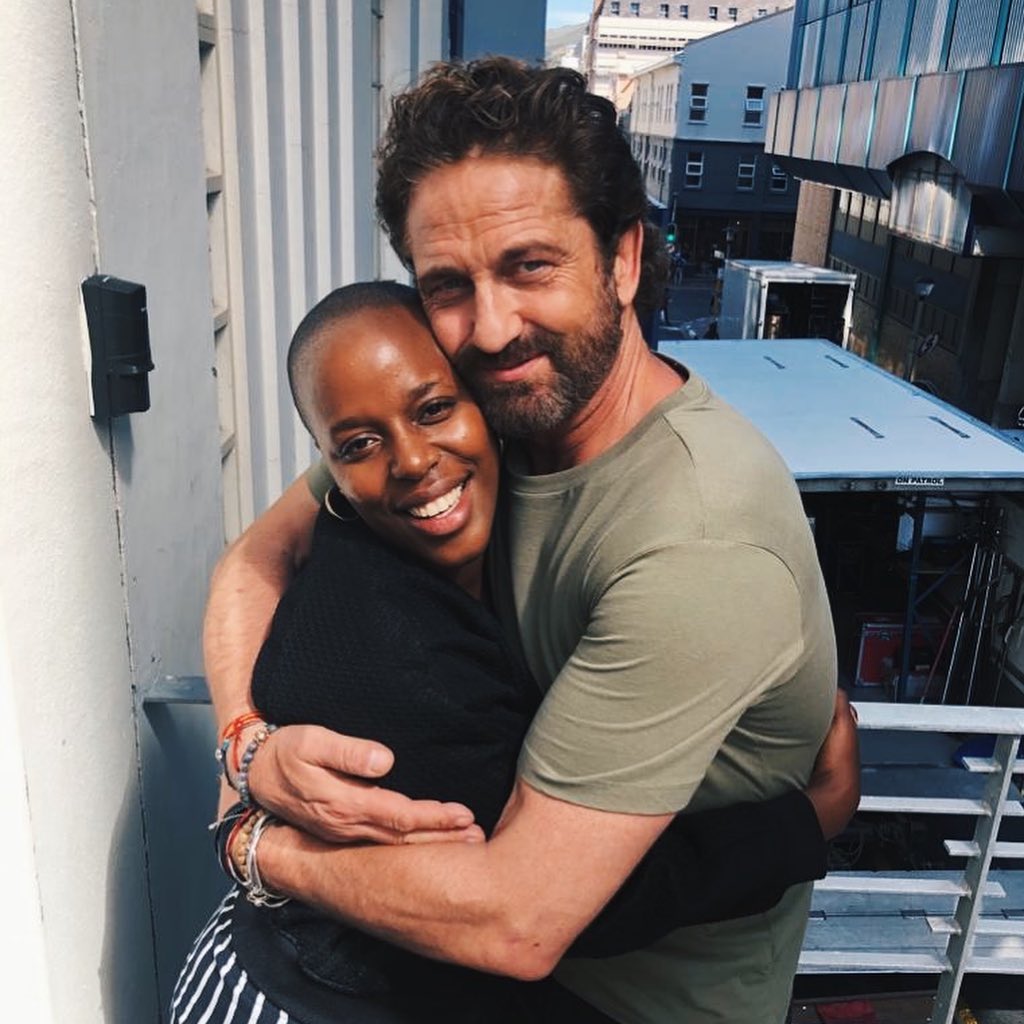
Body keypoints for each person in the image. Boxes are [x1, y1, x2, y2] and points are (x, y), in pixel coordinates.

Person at [203, 59, 848, 1023]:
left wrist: (253, 845)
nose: (494, 327)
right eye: (450, 285)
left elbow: (518, 923)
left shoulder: (697, 539)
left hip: (624, 999)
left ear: (623, 259)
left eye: (529, 266)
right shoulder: (479, 415)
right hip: (451, 967)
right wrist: (245, 747)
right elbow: (259, 557)